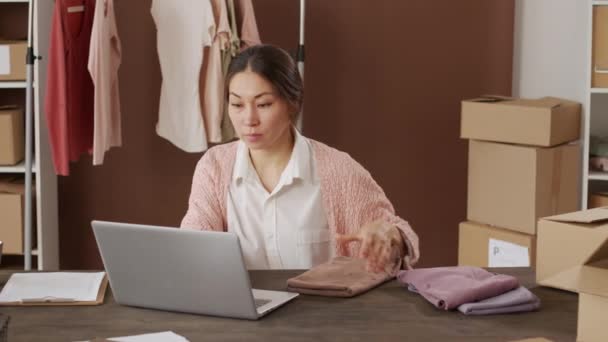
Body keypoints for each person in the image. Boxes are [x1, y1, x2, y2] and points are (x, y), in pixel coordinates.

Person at [181, 44, 419, 273]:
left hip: (323, 311)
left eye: (263, 104)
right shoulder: (214, 167)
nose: (249, 119)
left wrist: (392, 238)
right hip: (241, 309)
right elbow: (193, 246)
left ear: (292, 104)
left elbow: (398, 234)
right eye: (237, 104)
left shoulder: (338, 171)